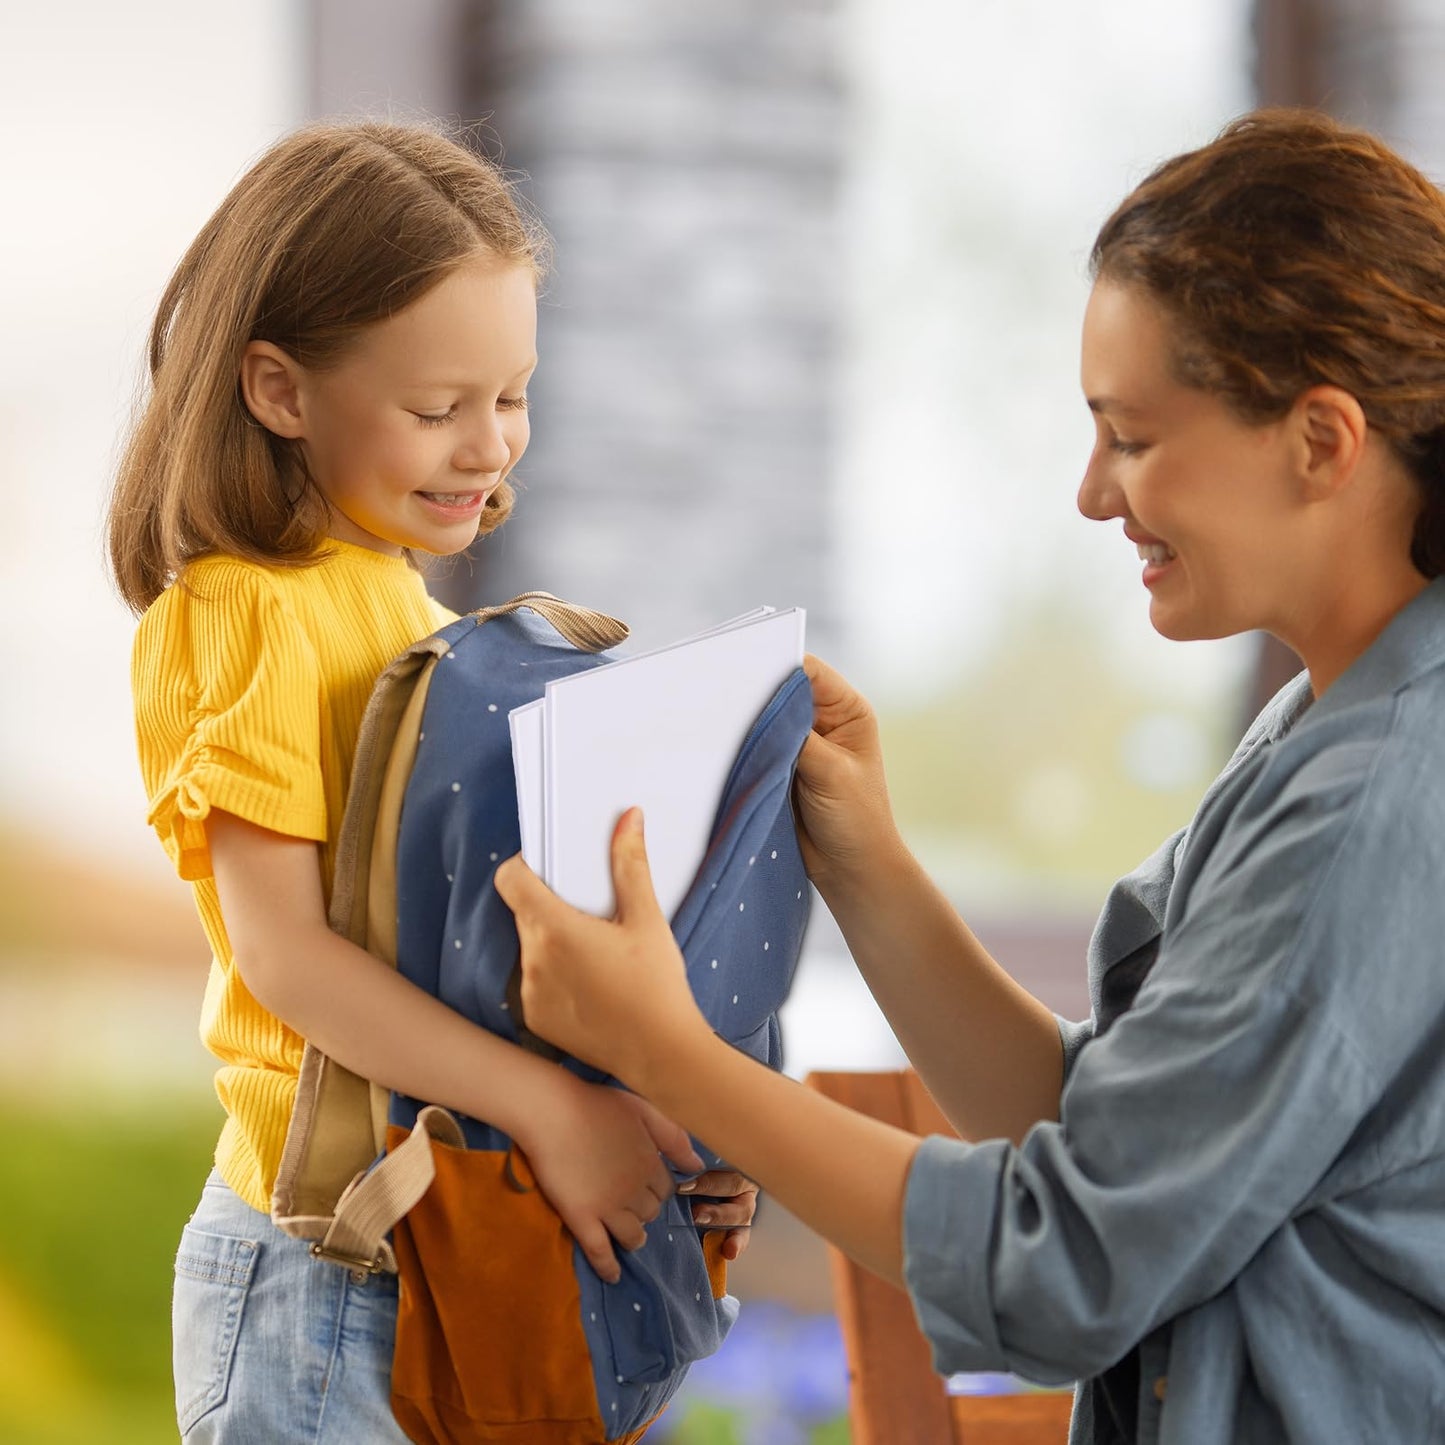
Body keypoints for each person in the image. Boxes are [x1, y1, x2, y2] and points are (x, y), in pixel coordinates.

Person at [495, 109, 1445, 1444]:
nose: (1092, 494)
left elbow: (1066, 1268)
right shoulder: (1331, 722)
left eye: (1131, 436)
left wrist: (662, 1052)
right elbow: (1117, 1141)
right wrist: (871, 869)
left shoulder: (1376, 802)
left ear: (1321, 440)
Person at [109, 121, 754, 1443]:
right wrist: (552, 1111)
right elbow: (289, 960)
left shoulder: (413, 611)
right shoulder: (244, 610)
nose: (488, 446)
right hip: (321, 1264)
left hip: (441, 1243)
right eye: (436, 408)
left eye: (512, 396)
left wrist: (647, 1113)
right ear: (279, 391)